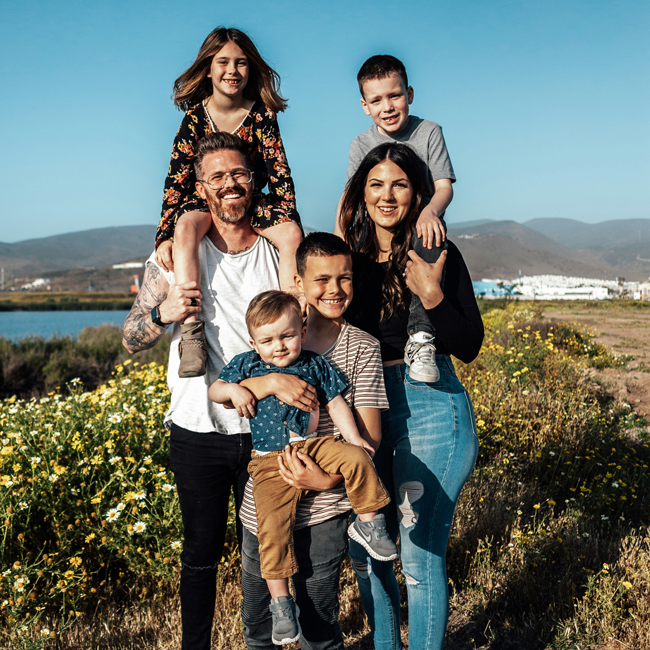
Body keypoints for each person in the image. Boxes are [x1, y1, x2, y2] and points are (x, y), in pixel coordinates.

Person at [121, 131, 309, 650]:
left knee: (271, 549)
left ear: (254, 182)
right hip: (198, 428)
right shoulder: (172, 257)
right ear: (201, 188)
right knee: (201, 555)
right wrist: (163, 312)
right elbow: (132, 335)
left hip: (268, 429)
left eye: (239, 174)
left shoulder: (277, 253)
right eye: (218, 177)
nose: (231, 184)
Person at [339, 142, 484, 650]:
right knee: (368, 549)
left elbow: (468, 343)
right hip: (365, 407)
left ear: (417, 192)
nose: (387, 195)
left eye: (399, 184)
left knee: (420, 557)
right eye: (376, 184)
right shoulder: (348, 262)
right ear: (361, 193)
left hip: (431, 404)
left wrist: (431, 293)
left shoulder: (438, 252)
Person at [210, 290, 396, 645]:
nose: (279, 346)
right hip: (269, 460)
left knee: (359, 459)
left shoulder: (314, 363)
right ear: (253, 342)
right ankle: (281, 602)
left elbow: (336, 403)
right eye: (268, 340)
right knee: (271, 527)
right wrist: (235, 393)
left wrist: (354, 438)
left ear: (302, 330)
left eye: (287, 336)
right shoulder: (247, 365)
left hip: (315, 446)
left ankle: (370, 523)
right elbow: (215, 390)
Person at [156, 26, 303, 378]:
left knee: (291, 236)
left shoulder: (263, 115)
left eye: (240, 63)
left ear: (250, 69)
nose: (232, 71)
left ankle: (296, 317)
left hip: (253, 200)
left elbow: (279, 172)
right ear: (208, 68)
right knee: (186, 227)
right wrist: (164, 234)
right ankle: (192, 333)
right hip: (203, 200)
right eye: (223, 62)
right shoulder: (193, 118)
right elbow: (175, 179)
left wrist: (289, 220)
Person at [335, 54, 456, 384]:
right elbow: (349, 197)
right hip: (376, 231)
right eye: (376, 100)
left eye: (394, 95)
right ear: (364, 105)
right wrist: (338, 241)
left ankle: (420, 339)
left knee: (429, 235)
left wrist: (431, 210)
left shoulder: (429, 132)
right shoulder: (361, 143)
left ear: (410, 94)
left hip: (419, 227)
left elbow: (444, 187)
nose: (387, 106)